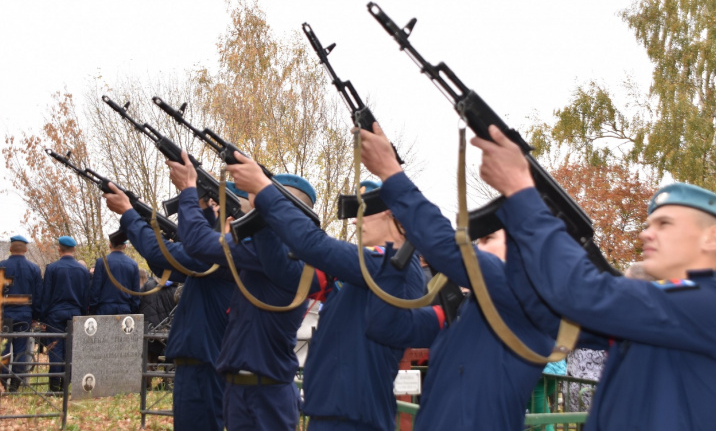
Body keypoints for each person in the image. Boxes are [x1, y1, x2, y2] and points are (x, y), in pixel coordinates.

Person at [473, 124, 716, 429]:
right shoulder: (669, 310)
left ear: (712, 238)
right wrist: (519, 233)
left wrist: (524, 193)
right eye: (648, 224)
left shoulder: (711, 305)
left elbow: (583, 294)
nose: (645, 234)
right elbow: (551, 317)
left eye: (664, 224)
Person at [359, 124, 565, 429]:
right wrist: (396, 257)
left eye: (489, 238)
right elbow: (385, 327)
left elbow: (446, 247)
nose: (478, 245)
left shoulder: (522, 296)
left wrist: (391, 172)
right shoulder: (471, 309)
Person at [227, 153, 432, 430]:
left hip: (355, 419)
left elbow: (314, 245)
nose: (356, 220)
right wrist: (262, 222)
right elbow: (286, 274)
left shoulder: (395, 266)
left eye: (364, 210)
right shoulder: (368, 267)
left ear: (390, 211)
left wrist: (265, 191)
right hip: (331, 413)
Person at [168, 150, 310, 431]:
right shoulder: (266, 250)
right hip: (242, 390)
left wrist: (188, 190)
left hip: (266, 395)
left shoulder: (279, 254)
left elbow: (197, 242)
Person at [103, 182, 234, 431]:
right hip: (202, 361)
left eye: (217, 205)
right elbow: (169, 264)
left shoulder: (224, 253)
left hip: (203, 364)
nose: (211, 209)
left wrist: (129, 213)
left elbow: (160, 253)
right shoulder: (217, 256)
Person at [37, 235, 90, 393]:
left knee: (55, 349)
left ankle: (54, 387)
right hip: (75, 313)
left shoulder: (53, 268)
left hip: (55, 313)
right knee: (72, 349)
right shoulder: (82, 270)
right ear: (74, 249)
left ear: (59, 249)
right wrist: (83, 315)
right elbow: (85, 296)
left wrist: (43, 318)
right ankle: (66, 385)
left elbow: (46, 295)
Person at [0, 235, 42, 392]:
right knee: (21, 349)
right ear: (26, 249)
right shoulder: (33, 269)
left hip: (4, 313)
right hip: (24, 314)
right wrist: (36, 316)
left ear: (10, 248)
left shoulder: (0, 267)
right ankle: (16, 383)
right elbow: (38, 295)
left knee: (4, 348)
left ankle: (2, 381)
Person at [138, 268, 176, 390]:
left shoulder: (148, 285)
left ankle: (146, 384)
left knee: (149, 357)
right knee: (170, 357)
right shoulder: (174, 289)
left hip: (150, 326)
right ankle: (168, 381)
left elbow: (140, 302)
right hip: (168, 328)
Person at [89, 240, 140, 315]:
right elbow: (136, 292)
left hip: (104, 308)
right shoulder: (133, 265)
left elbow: (96, 288)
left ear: (110, 245)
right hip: (125, 308)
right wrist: (133, 310)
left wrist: (93, 309)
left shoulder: (101, 262)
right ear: (125, 246)